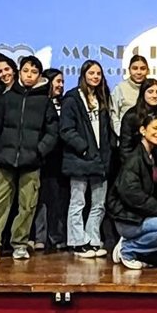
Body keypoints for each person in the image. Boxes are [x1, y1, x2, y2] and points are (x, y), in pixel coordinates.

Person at [0, 55, 60, 261]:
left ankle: (20, 244)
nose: (29, 75)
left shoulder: (45, 102)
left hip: (31, 162)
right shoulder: (7, 98)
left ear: (39, 76)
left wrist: (39, 151)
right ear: (19, 72)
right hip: (5, 160)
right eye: (26, 71)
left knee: (27, 205)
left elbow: (52, 131)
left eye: (34, 72)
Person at [106, 114, 157, 270]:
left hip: (144, 216)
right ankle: (127, 249)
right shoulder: (133, 160)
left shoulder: (155, 156)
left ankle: (135, 248)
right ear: (143, 130)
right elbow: (132, 196)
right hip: (129, 219)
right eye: (155, 128)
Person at [61, 60, 112, 259]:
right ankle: (76, 241)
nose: (95, 77)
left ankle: (93, 240)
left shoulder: (103, 97)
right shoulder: (72, 98)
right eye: (91, 73)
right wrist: (84, 149)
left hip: (100, 159)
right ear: (83, 75)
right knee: (78, 202)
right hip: (79, 158)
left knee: (99, 203)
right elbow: (66, 130)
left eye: (98, 73)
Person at [35, 67, 69, 251]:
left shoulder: (66, 103)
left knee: (58, 200)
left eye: (62, 81)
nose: (60, 85)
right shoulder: (39, 102)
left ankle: (57, 236)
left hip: (61, 159)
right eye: (57, 81)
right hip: (41, 158)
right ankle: (39, 237)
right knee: (40, 200)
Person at [120, 78, 157, 168]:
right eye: (150, 92)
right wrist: (131, 167)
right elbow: (125, 148)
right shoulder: (131, 116)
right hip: (137, 164)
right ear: (143, 93)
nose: (155, 95)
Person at [110, 55, 149, 136]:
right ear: (129, 70)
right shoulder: (120, 88)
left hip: (151, 137)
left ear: (147, 71)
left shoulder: (153, 88)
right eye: (135, 68)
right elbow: (113, 115)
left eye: (142, 68)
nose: (139, 72)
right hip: (127, 137)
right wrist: (122, 133)